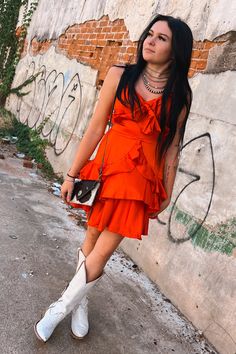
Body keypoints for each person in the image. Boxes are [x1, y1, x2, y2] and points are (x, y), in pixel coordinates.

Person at [34, 14, 193, 343]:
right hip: (107, 169)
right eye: (150, 34)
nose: (150, 41)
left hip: (139, 181)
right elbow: (95, 126)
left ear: (176, 50)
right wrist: (72, 173)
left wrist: (167, 192)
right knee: (91, 237)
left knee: (104, 250)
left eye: (161, 38)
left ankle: (60, 308)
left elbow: (172, 147)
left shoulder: (180, 95)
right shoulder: (120, 75)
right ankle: (81, 300)